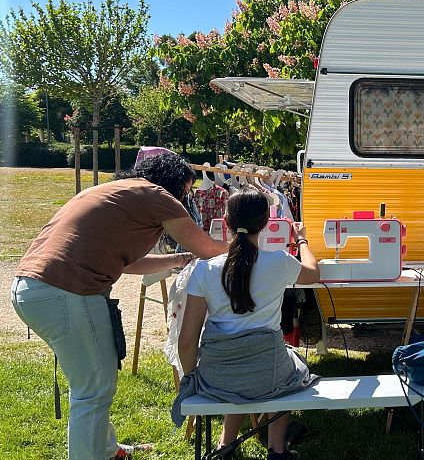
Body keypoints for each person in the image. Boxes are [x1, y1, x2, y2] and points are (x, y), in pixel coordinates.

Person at [10, 153, 228, 460]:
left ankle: (108, 450)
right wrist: (254, 248)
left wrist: (179, 259)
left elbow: (127, 262)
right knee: (93, 392)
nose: (187, 196)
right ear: (173, 182)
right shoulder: (157, 195)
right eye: (187, 188)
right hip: (67, 292)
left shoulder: (120, 192)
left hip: (31, 287)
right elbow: (207, 248)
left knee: (91, 382)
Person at [174, 189, 320, 460]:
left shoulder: (204, 270)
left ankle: (225, 445)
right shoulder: (280, 262)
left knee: (239, 373)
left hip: (218, 377)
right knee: (287, 372)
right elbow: (313, 273)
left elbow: (186, 341)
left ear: (226, 222)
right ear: (266, 223)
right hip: (267, 373)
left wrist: (192, 376)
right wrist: (302, 240)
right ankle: (277, 450)